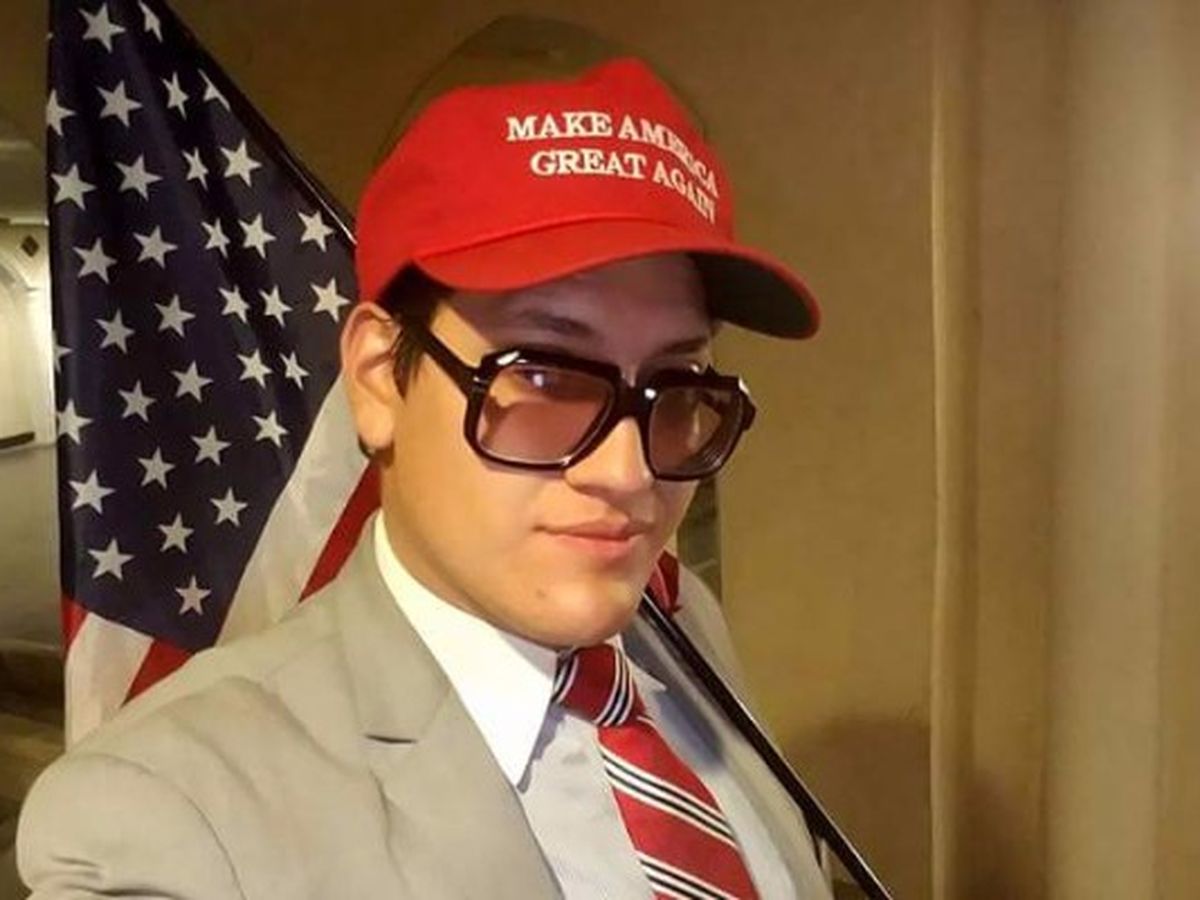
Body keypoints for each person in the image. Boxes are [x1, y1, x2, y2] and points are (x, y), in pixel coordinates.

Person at [18, 57, 831, 899]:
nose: (628, 474)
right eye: (542, 376)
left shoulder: (681, 625)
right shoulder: (167, 817)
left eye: (677, 384)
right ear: (379, 379)